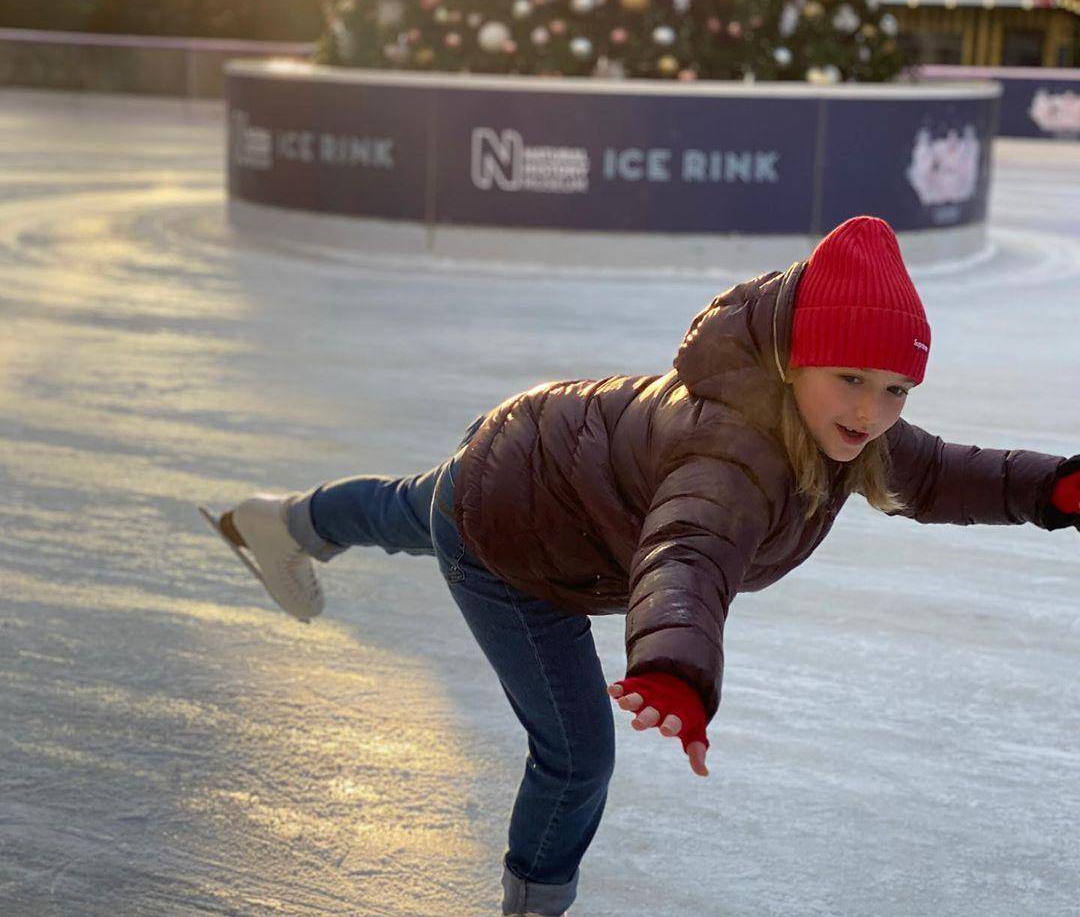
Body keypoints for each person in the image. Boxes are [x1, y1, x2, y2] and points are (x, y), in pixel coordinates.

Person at [200, 215, 1080, 917]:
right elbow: (688, 551)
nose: (871, 409)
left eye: (896, 388)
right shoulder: (733, 453)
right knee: (576, 756)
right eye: (851, 376)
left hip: (528, 452)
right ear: (794, 358)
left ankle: (275, 523)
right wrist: (674, 664)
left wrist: (1058, 490)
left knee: (410, 508)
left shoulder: (841, 427)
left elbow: (940, 473)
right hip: (518, 544)